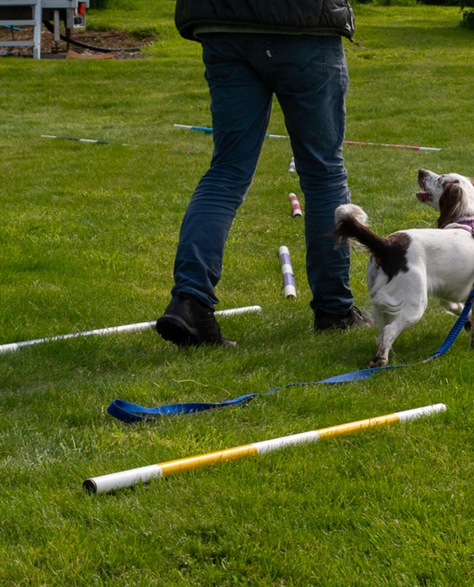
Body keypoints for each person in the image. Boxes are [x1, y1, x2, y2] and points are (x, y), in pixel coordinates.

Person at [156, 0, 372, 347]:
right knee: (323, 174)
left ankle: (190, 301)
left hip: (222, 24)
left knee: (226, 172)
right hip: (302, 24)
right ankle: (334, 310)